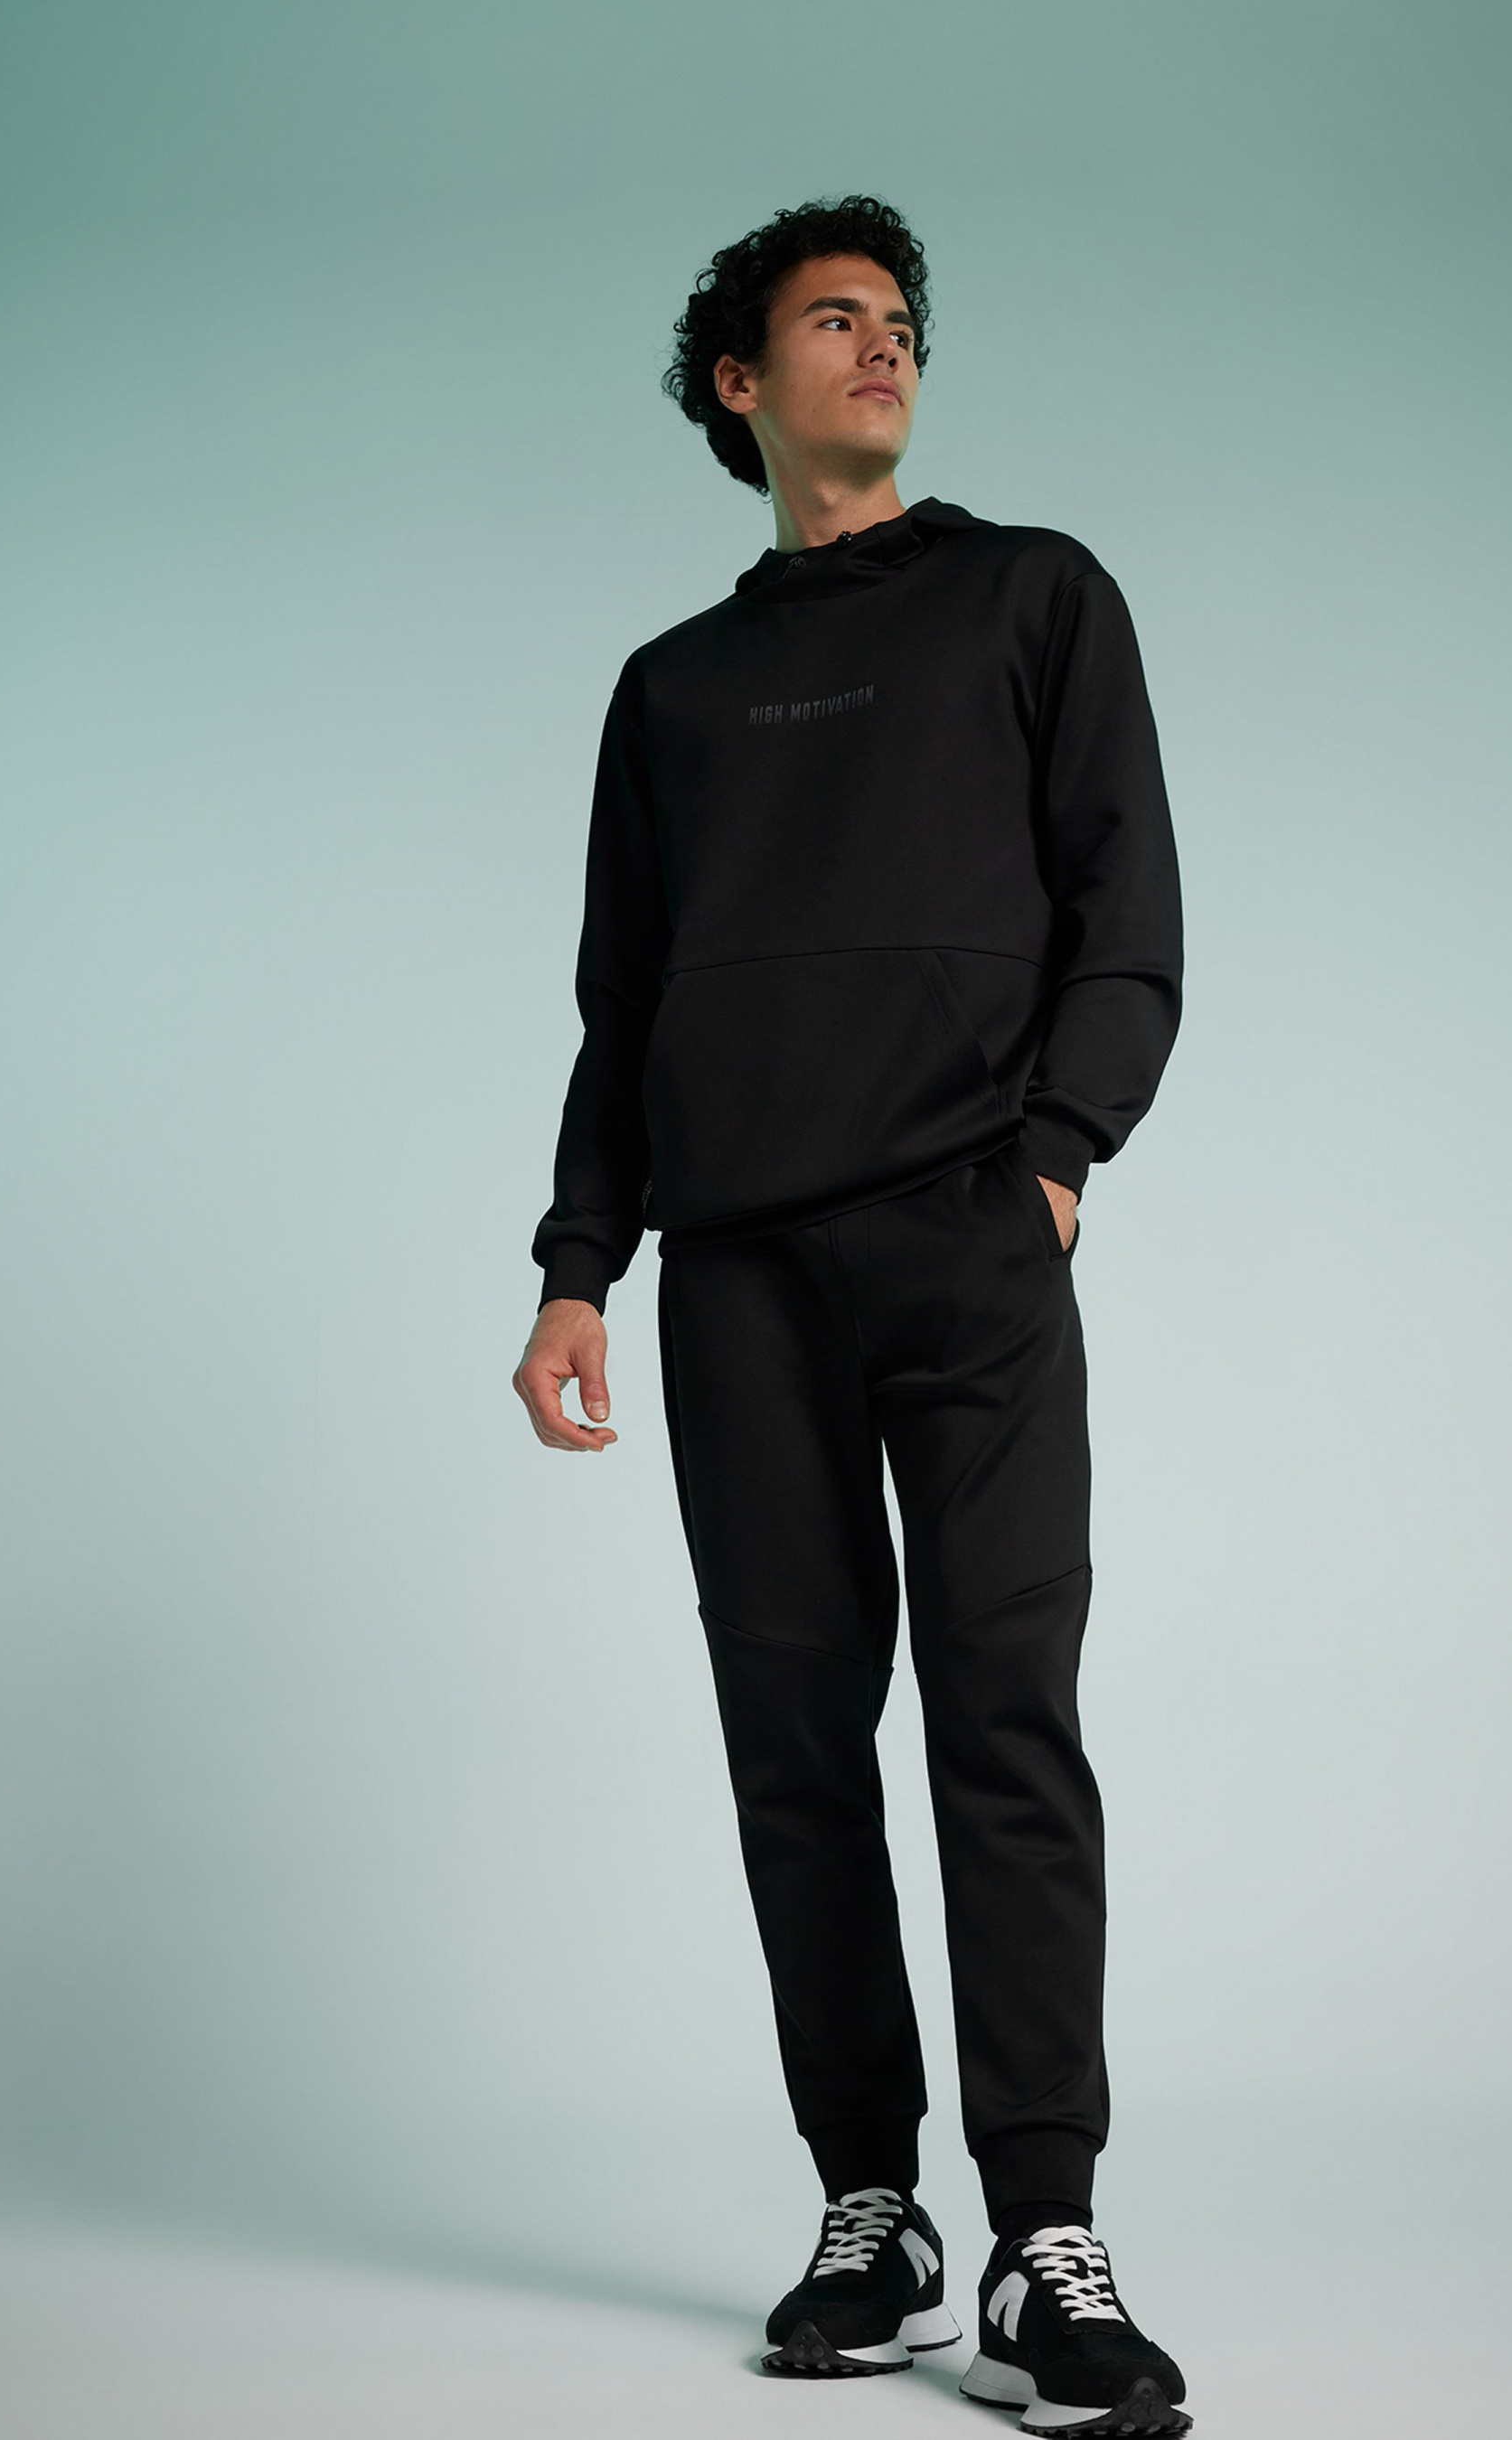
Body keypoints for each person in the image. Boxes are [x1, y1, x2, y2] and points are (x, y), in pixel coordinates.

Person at [516, 195, 1191, 2438]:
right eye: (831, 319)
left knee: (1004, 1720)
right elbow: (625, 1005)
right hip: (735, 1281)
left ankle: (1042, 2236)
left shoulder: (1031, 596)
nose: (881, 344)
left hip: (965, 1242)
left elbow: (1123, 901)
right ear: (740, 384)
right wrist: (576, 1265)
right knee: (793, 1749)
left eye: (898, 319)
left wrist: (1056, 1155)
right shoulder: (671, 691)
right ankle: (869, 2208)